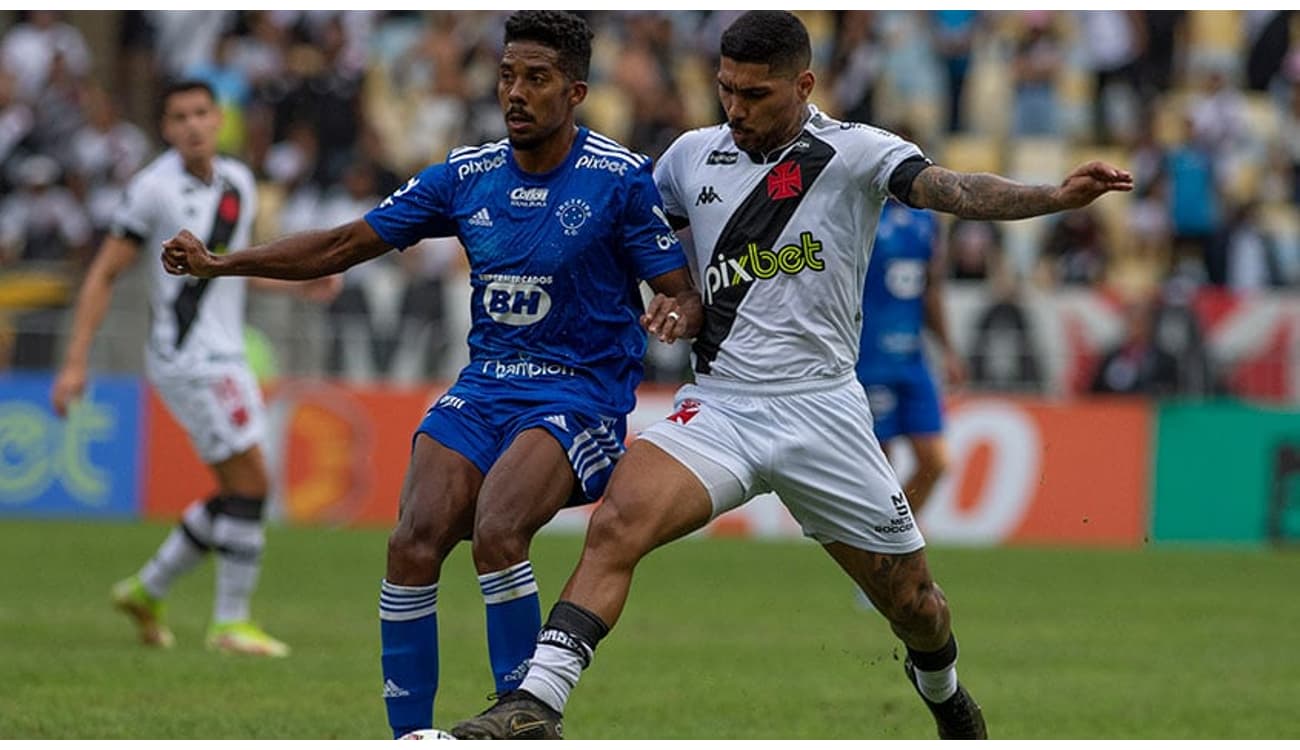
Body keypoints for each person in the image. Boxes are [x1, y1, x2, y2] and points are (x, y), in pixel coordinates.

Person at [451, 10, 1132, 740]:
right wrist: (673, 303)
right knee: (619, 522)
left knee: (917, 606)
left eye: (756, 95)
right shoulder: (688, 157)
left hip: (824, 414)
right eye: (726, 91)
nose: (736, 110)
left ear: (804, 84)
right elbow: (629, 240)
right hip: (721, 409)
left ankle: (947, 695)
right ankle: (536, 704)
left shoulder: (858, 153)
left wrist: (1053, 198)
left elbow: (953, 190)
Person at [158, 11, 700, 739]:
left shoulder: (619, 179)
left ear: (575, 92)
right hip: (483, 388)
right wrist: (225, 262)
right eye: (508, 75)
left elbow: (678, 285)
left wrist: (679, 308)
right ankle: (408, 736)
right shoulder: (466, 175)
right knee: (411, 541)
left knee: (499, 528)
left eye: (536, 79)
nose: (515, 92)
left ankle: (523, 719)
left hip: (578, 394)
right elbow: (347, 241)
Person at [50, 80, 339, 657]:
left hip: (228, 354)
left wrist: (297, 283)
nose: (192, 125)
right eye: (179, 116)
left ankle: (148, 588)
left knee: (239, 488)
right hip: (188, 359)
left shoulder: (237, 184)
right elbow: (105, 273)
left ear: (218, 118)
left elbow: (225, 269)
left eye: (201, 113)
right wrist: (75, 361)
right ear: (165, 127)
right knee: (254, 482)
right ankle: (230, 623)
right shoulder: (151, 191)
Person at [856, 197, 964, 520]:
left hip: (912, 359)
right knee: (879, 467)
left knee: (936, 462)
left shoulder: (926, 219)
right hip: (868, 358)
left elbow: (930, 289)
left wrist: (947, 349)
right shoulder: (862, 211)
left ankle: (894, 531)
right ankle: (884, 542)